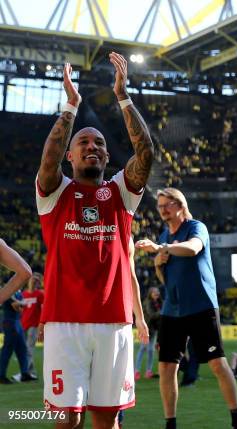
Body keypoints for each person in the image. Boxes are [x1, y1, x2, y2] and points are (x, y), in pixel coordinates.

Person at [36, 53, 153, 429]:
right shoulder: (55, 193)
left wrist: (123, 97)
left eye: (99, 143)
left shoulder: (121, 192)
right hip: (63, 321)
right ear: (71, 156)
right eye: (83, 143)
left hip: (113, 322)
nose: (92, 147)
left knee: (107, 421)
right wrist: (71, 107)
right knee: (67, 421)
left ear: (106, 155)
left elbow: (145, 153)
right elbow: (48, 160)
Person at [136, 188, 237, 429]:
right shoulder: (166, 233)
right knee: (166, 367)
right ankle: (171, 423)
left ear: (180, 205)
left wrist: (160, 247)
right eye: (160, 205)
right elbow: (168, 280)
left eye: (167, 204)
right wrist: (157, 266)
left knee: (217, 363)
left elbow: (193, 248)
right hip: (172, 310)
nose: (163, 210)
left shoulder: (197, 227)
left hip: (201, 306)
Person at [0, 239, 33, 384]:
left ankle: (25, 372)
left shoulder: (17, 292)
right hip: (10, 320)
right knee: (9, 349)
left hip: (15, 320)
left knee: (21, 348)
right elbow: (25, 272)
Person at [135, 286, 162, 380]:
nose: (157, 295)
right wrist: (161, 312)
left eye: (158, 293)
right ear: (150, 294)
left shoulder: (159, 302)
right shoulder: (147, 303)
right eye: (155, 293)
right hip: (145, 328)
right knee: (142, 349)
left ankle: (148, 371)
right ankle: (136, 371)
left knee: (151, 350)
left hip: (154, 329)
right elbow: (151, 314)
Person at [21, 272, 44, 376]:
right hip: (23, 324)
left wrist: (41, 325)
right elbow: (22, 310)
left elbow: (43, 309)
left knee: (29, 348)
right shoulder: (24, 294)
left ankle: (26, 372)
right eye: (33, 280)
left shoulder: (39, 294)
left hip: (34, 325)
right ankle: (31, 371)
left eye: (36, 281)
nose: (34, 282)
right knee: (25, 349)